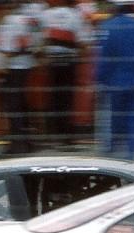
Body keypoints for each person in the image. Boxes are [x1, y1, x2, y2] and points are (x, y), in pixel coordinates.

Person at [95, 0, 134, 160]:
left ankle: (114, 155)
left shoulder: (108, 26)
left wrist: (99, 78)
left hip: (115, 81)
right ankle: (133, 154)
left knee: (115, 118)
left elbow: (104, 57)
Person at [0, 0, 40, 155]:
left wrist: (0, 69)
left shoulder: (8, 22)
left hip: (12, 68)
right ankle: (28, 142)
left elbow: (6, 51)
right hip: (26, 66)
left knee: (12, 107)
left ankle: (16, 145)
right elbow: (35, 44)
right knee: (22, 105)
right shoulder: (27, 20)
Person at [41, 0, 90, 146]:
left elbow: (41, 40)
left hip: (52, 62)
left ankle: (52, 135)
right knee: (67, 100)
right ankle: (66, 138)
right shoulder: (76, 15)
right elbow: (82, 42)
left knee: (53, 99)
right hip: (69, 62)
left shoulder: (46, 15)